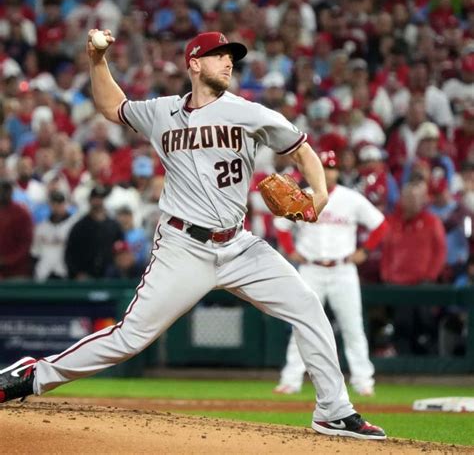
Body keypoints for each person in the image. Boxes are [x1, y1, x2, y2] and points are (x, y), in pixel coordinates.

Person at [0, 30, 386, 440]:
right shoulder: (162, 111)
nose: (228, 62)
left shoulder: (248, 112)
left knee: (307, 306)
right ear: (195, 64)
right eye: (219, 55)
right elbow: (112, 106)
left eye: (231, 57)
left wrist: (320, 193)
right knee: (129, 338)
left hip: (238, 245)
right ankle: (33, 375)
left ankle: (333, 411)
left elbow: (301, 148)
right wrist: (98, 59)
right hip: (182, 247)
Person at [273, 151, 389, 397]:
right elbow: (280, 226)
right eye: (324, 167)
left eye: (331, 168)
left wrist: (365, 251)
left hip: (342, 269)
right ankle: (291, 380)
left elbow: (380, 225)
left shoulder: (351, 199)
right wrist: (291, 251)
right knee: (302, 324)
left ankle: (363, 381)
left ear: (338, 172)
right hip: (311, 269)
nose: (327, 172)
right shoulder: (302, 196)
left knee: (352, 327)